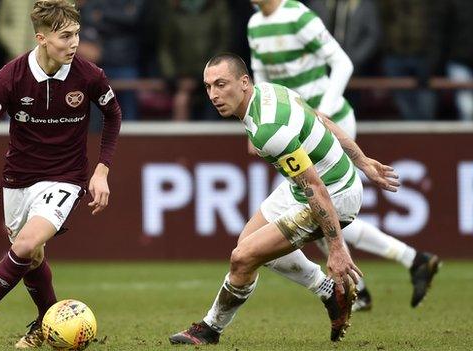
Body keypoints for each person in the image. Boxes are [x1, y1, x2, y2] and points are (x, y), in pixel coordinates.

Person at [169, 53, 399, 345]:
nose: (214, 94)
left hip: (334, 193)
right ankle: (329, 291)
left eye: (221, 84)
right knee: (249, 245)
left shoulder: (268, 131)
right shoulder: (271, 91)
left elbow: (315, 187)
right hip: (305, 186)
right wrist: (362, 160)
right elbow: (321, 119)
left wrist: (337, 246)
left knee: (243, 258)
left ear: (244, 82)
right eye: (208, 86)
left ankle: (209, 329)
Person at [0, 0, 121, 348]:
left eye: (76, 34)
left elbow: (113, 116)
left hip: (66, 177)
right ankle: (46, 322)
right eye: (65, 36)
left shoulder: (89, 75)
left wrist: (101, 170)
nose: (74, 43)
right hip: (18, 180)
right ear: (41, 38)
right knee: (31, 256)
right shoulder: (10, 77)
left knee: (26, 244)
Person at [247, 0, 440, 311]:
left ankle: (362, 287)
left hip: (329, 120)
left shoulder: (298, 16)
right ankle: (408, 263)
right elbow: (259, 74)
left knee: (318, 208)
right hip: (292, 126)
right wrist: (254, 119)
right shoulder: (255, 24)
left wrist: (324, 108)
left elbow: (342, 62)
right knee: (317, 211)